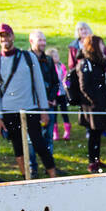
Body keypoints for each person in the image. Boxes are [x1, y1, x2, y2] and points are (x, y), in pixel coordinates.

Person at [0, 24, 58, 178]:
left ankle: (53, 175)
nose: (4, 39)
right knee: (17, 146)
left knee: (39, 143)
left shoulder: (28, 57)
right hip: (9, 110)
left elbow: (39, 83)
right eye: (1, 36)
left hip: (30, 108)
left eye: (7, 35)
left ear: (12, 36)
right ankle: (26, 177)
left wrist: (44, 109)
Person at [69, 33, 106, 174]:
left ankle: (96, 160)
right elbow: (84, 86)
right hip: (92, 106)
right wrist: (94, 101)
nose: (103, 47)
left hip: (100, 102)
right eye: (100, 44)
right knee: (93, 133)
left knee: (97, 133)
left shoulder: (97, 63)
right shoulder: (85, 63)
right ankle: (92, 163)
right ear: (94, 46)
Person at [27, 31, 62, 177]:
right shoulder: (26, 59)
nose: (43, 43)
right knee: (32, 139)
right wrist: (39, 100)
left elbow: (55, 82)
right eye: (39, 40)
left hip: (49, 104)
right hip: (33, 105)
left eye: (44, 40)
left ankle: (50, 166)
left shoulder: (48, 59)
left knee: (48, 137)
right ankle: (32, 167)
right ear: (31, 41)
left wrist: (52, 98)